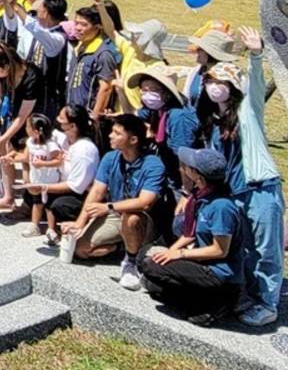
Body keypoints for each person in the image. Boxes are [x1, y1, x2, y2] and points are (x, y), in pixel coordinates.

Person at [196, 29, 283, 328]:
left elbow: (257, 88)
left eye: (221, 82)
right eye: (211, 82)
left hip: (260, 189)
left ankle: (268, 303)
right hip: (234, 194)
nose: (214, 87)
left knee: (266, 249)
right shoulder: (213, 122)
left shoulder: (248, 111)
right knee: (245, 248)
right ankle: (251, 296)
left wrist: (256, 55)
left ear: (232, 86)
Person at [139, 147, 245, 326]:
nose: (183, 169)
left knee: (152, 269)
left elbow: (219, 250)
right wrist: (168, 253)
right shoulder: (202, 198)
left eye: (188, 167)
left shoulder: (221, 207)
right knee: (146, 259)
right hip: (201, 263)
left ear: (199, 177)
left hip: (218, 273)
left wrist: (179, 255)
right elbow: (190, 235)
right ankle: (199, 299)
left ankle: (219, 301)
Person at [68, 113, 168, 291]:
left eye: (117, 133)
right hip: (115, 213)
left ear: (133, 139)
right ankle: (122, 246)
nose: (110, 136)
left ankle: (131, 262)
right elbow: (97, 191)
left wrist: (107, 207)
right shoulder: (110, 157)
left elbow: (145, 203)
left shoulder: (153, 164)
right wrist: (79, 223)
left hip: (143, 218)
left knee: (131, 219)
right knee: (81, 249)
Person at [0, 44, 41, 208]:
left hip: (31, 120)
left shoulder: (31, 76)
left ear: (7, 65)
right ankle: (8, 196)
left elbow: (23, 116)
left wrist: (5, 136)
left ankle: (31, 203)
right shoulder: (1, 73)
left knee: (26, 158)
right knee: (5, 153)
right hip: (11, 113)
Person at [30, 105, 99, 245]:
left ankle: (79, 228)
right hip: (62, 182)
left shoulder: (84, 149)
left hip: (82, 194)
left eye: (61, 119)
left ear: (72, 125)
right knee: (34, 196)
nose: (57, 120)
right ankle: (53, 227)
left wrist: (44, 187)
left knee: (59, 204)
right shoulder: (64, 139)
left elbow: (76, 186)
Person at [126, 64, 199, 183]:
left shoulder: (178, 116)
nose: (148, 95)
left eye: (154, 90)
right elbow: (134, 116)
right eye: (144, 90)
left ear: (167, 93)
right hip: (168, 171)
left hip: (181, 178)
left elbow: (184, 157)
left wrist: (187, 190)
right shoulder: (155, 108)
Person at [19, 113, 63, 238]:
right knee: (37, 202)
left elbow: (59, 160)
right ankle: (34, 225)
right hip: (36, 178)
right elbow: (26, 157)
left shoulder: (50, 145)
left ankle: (51, 229)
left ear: (37, 131)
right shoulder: (30, 142)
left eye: (28, 127)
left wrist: (44, 163)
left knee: (49, 205)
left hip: (49, 181)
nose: (26, 129)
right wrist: (11, 159)